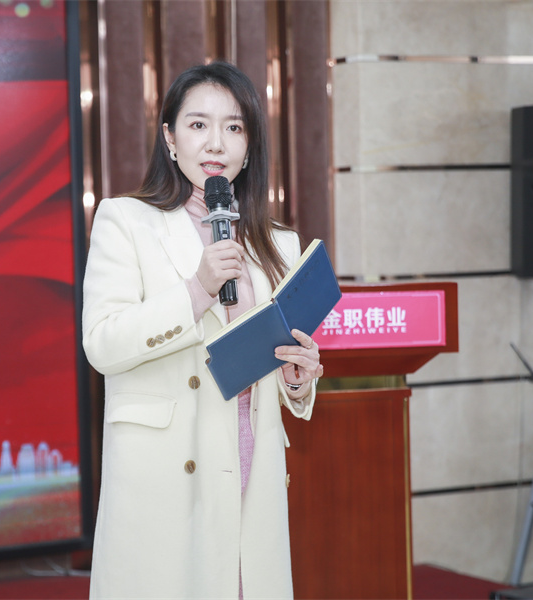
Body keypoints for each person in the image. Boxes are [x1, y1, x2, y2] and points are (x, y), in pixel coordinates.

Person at [82, 61, 323, 600]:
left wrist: (297, 377)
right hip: (168, 470)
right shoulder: (126, 221)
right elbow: (102, 343)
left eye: (233, 127)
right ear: (170, 137)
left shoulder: (279, 243)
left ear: (249, 145)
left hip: (249, 460)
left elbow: (273, 359)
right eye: (198, 124)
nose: (216, 142)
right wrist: (197, 290)